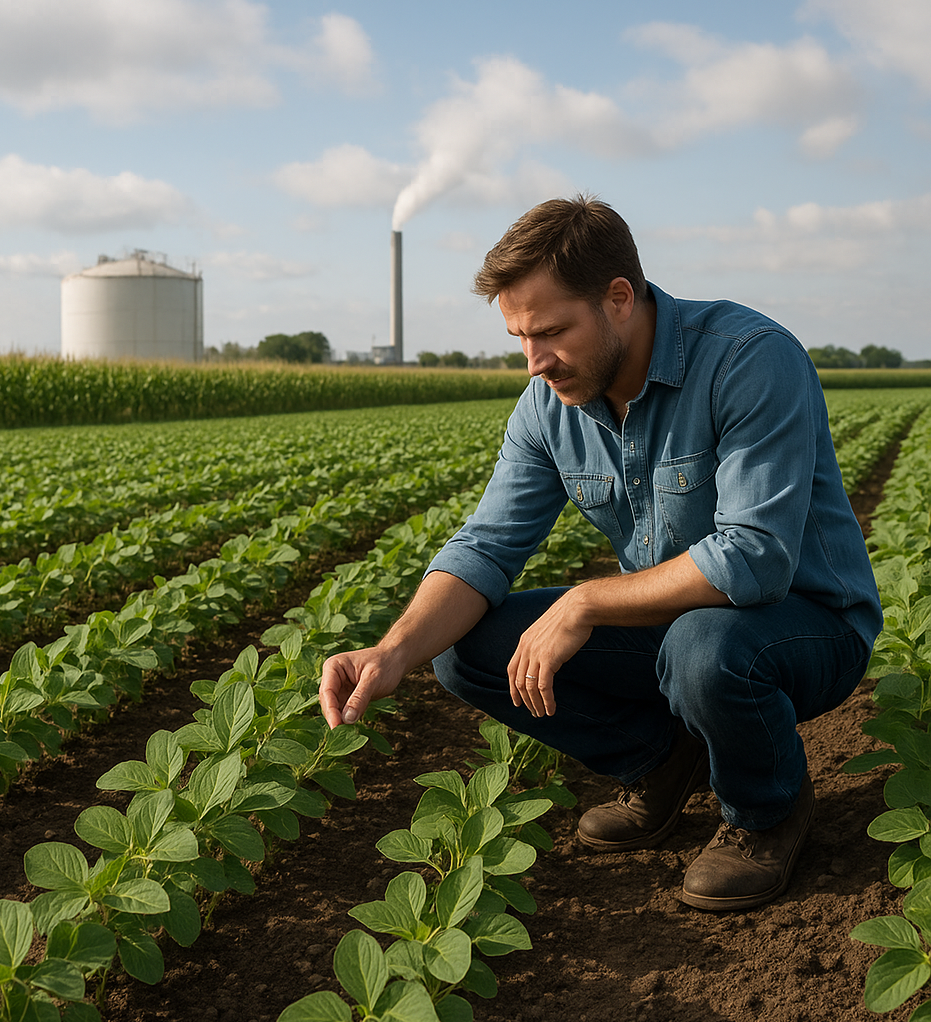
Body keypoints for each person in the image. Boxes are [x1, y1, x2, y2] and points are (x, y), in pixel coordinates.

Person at [319, 195, 882, 911]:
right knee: (464, 648)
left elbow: (755, 557)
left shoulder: (747, 359)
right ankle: (661, 760)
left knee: (703, 648)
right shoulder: (550, 407)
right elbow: (487, 545)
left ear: (619, 298)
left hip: (804, 623)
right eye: (520, 337)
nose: (533, 361)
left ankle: (766, 812)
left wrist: (585, 600)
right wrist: (391, 652)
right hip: (673, 627)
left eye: (551, 331)